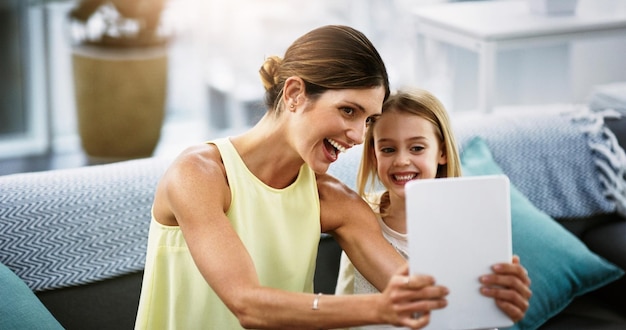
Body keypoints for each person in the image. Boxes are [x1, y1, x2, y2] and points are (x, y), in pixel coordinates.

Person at [135, 25, 451, 330]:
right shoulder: (199, 175)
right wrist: (377, 308)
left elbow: (420, 298)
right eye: (348, 111)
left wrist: (493, 289)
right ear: (295, 94)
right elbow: (248, 304)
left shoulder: (332, 200)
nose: (357, 136)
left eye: (369, 120)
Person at [335, 88, 532, 329]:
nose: (401, 161)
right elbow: (344, 304)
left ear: (442, 152)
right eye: (388, 149)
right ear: (374, 156)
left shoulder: (469, 222)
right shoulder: (358, 215)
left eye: (417, 148)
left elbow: (477, 315)